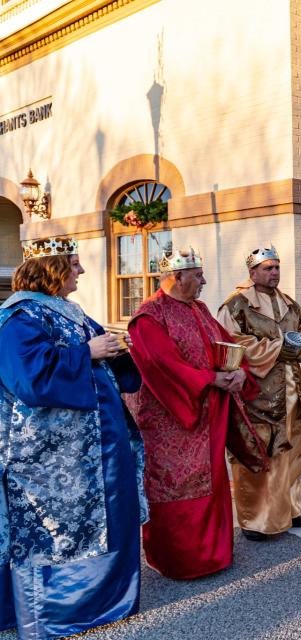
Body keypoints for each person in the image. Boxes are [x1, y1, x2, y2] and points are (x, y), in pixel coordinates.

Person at [0, 237, 145, 639]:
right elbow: (28, 377)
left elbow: (103, 355)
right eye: (75, 264)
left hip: (101, 444)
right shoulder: (19, 316)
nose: (81, 271)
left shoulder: (72, 312)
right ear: (53, 268)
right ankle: (55, 614)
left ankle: (106, 602)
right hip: (51, 457)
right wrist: (88, 352)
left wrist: (115, 351)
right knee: (57, 531)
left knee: (114, 519)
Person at [129, 247, 259, 579]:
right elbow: (161, 365)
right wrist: (211, 379)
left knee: (214, 482)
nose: (203, 281)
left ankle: (215, 554)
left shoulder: (199, 308)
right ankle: (180, 561)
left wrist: (240, 370)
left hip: (209, 414)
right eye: (197, 275)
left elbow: (227, 343)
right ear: (176, 277)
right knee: (176, 488)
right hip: (171, 420)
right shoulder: (149, 316)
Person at [217, 246, 301, 541]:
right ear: (252, 273)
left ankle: (289, 510)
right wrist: (278, 347)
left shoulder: (290, 305)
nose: (274, 273)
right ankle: (256, 521)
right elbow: (229, 343)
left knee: (292, 454)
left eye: (277, 267)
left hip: (294, 394)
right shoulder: (236, 306)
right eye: (268, 268)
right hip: (258, 395)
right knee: (259, 455)